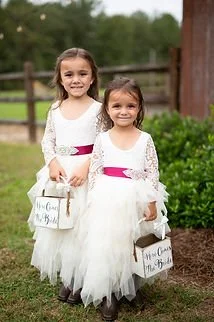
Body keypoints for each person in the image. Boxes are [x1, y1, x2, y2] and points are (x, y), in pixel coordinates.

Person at [76, 77, 170, 321]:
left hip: (136, 200)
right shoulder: (103, 139)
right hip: (108, 200)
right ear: (107, 109)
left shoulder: (145, 139)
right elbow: (95, 171)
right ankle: (109, 294)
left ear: (139, 108)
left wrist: (152, 202)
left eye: (130, 105)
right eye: (117, 106)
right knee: (109, 247)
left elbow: (153, 172)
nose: (124, 111)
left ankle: (130, 287)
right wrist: (95, 200)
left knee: (132, 244)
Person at [27, 47, 102, 304]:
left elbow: (105, 144)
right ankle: (70, 277)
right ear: (60, 78)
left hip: (86, 175)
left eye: (83, 74)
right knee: (63, 229)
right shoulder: (55, 108)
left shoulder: (98, 109)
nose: (76, 79)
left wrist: (88, 164)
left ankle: (82, 280)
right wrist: (52, 162)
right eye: (68, 74)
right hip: (60, 176)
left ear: (92, 77)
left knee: (83, 229)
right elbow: (48, 140)